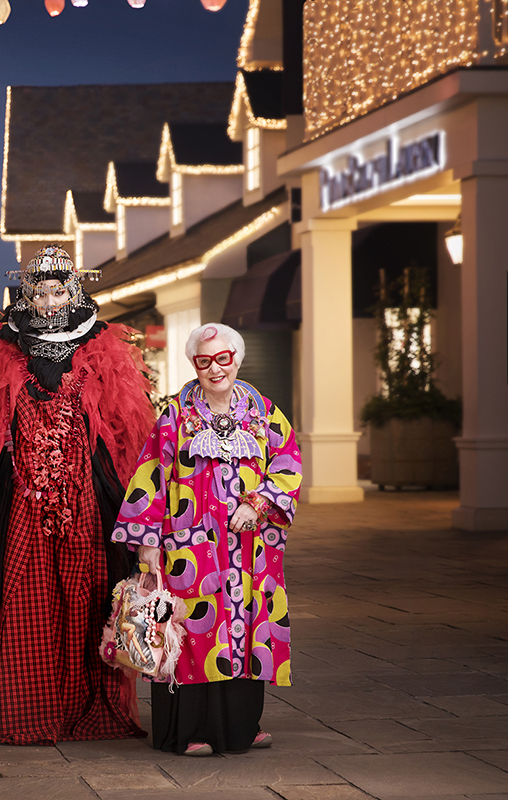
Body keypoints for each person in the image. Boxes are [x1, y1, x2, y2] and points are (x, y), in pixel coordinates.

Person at [0, 245, 154, 745]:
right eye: (41, 290)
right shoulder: (1, 347)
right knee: (24, 598)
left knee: (89, 599)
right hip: (21, 496)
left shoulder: (102, 346)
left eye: (59, 289)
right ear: (28, 293)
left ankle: (85, 707)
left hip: (87, 494)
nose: (51, 299)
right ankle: (31, 710)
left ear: (73, 291)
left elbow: (126, 427)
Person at [111, 322, 302, 756]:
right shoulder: (176, 414)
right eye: (204, 361)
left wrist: (258, 502)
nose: (215, 369)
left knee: (249, 631)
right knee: (193, 632)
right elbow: (151, 475)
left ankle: (242, 727)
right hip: (190, 547)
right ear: (194, 364)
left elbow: (288, 463)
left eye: (223, 359)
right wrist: (147, 538)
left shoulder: (263, 410)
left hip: (251, 551)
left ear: (237, 358)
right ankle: (189, 731)